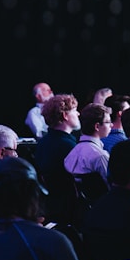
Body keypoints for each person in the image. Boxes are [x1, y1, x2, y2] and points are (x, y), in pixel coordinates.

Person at [34, 94, 81, 225]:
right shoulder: (69, 146)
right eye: (74, 110)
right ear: (65, 115)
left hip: (51, 208)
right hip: (69, 211)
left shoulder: (43, 143)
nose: (78, 113)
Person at [64, 103, 112, 207]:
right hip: (105, 208)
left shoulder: (71, 155)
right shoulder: (100, 156)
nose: (111, 125)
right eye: (108, 122)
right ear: (97, 126)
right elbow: (112, 188)